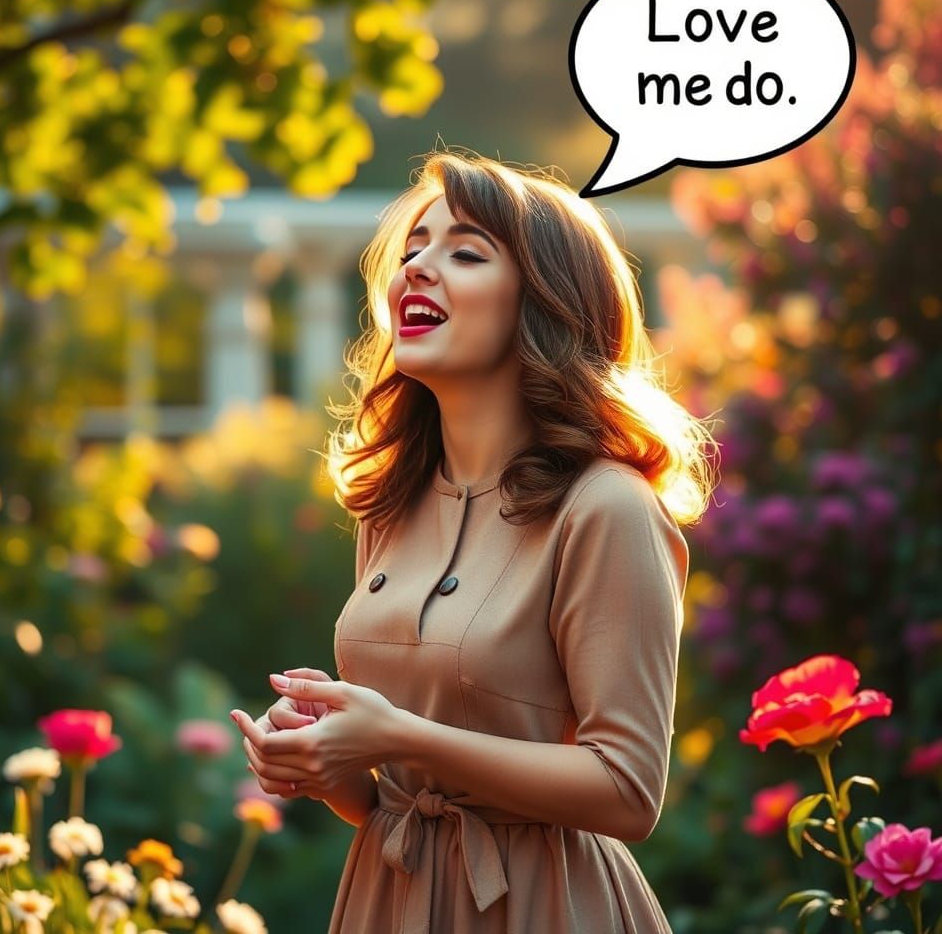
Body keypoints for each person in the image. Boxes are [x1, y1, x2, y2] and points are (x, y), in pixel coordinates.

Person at [232, 149, 718, 933]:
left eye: (465, 252)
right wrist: (328, 759)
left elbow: (629, 790)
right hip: (386, 900)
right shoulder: (390, 501)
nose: (418, 267)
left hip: (543, 907)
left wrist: (392, 731)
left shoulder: (606, 508)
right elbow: (387, 796)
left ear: (545, 303)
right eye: (414, 248)